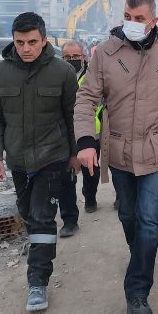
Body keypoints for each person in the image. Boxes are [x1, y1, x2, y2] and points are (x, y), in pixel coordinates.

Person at [74, 0, 158, 314]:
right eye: (128, 16)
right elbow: (85, 98)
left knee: (150, 220)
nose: (132, 23)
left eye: (139, 18)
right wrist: (85, 140)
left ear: (153, 20)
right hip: (119, 152)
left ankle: (137, 292)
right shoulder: (105, 53)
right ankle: (140, 255)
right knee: (128, 217)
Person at [0, 12, 79, 312]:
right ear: (13, 41)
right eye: (20, 42)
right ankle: (39, 245)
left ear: (44, 40)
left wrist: (76, 153)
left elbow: (74, 116)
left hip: (53, 156)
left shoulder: (62, 72)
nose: (26, 48)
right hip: (18, 161)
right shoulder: (0, 73)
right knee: (27, 211)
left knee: (41, 217)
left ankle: (37, 282)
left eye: (32, 42)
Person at [55, 41, 102, 240]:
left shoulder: (92, 75)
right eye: (68, 57)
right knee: (66, 176)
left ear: (83, 56)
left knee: (92, 169)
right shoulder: (57, 76)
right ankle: (69, 220)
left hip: (92, 132)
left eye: (76, 56)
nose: (72, 60)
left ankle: (89, 195)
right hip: (65, 133)